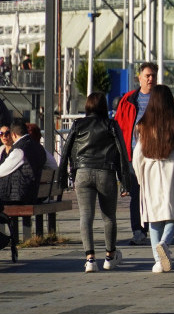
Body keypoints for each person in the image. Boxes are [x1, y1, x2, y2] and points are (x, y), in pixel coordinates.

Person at [58, 92, 131, 273]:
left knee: (86, 216)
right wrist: (124, 181)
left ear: (88, 106)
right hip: (106, 173)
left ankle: (90, 259)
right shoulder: (111, 125)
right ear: (104, 107)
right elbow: (122, 152)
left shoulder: (78, 124)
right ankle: (110, 256)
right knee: (109, 217)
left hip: (82, 173)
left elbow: (66, 150)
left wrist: (63, 177)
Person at [132, 85, 174, 273]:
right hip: (172, 169)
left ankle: (157, 260)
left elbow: (138, 155)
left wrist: (139, 177)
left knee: (154, 219)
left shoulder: (143, 124)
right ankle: (165, 243)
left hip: (150, 171)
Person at [114, 61, 158, 246]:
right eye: (147, 75)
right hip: (132, 155)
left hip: (156, 155)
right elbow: (118, 124)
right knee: (136, 194)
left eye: (153, 76)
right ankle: (138, 230)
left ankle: (153, 229)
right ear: (139, 78)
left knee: (153, 194)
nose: (150, 79)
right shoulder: (128, 100)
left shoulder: (161, 98)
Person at [0, 119, 56, 204]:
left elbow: (2, 170)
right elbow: (53, 166)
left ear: (13, 135)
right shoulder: (39, 147)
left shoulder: (19, 150)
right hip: (36, 194)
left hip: (22, 197)